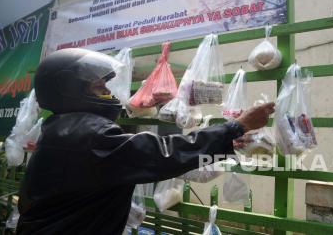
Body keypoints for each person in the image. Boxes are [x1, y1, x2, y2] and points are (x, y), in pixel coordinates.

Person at [17, 48, 274, 234]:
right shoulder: (86, 133)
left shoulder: (63, 129)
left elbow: (143, 155)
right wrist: (236, 127)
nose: (108, 92)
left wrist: (227, 138)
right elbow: (161, 154)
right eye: (99, 88)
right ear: (69, 90)